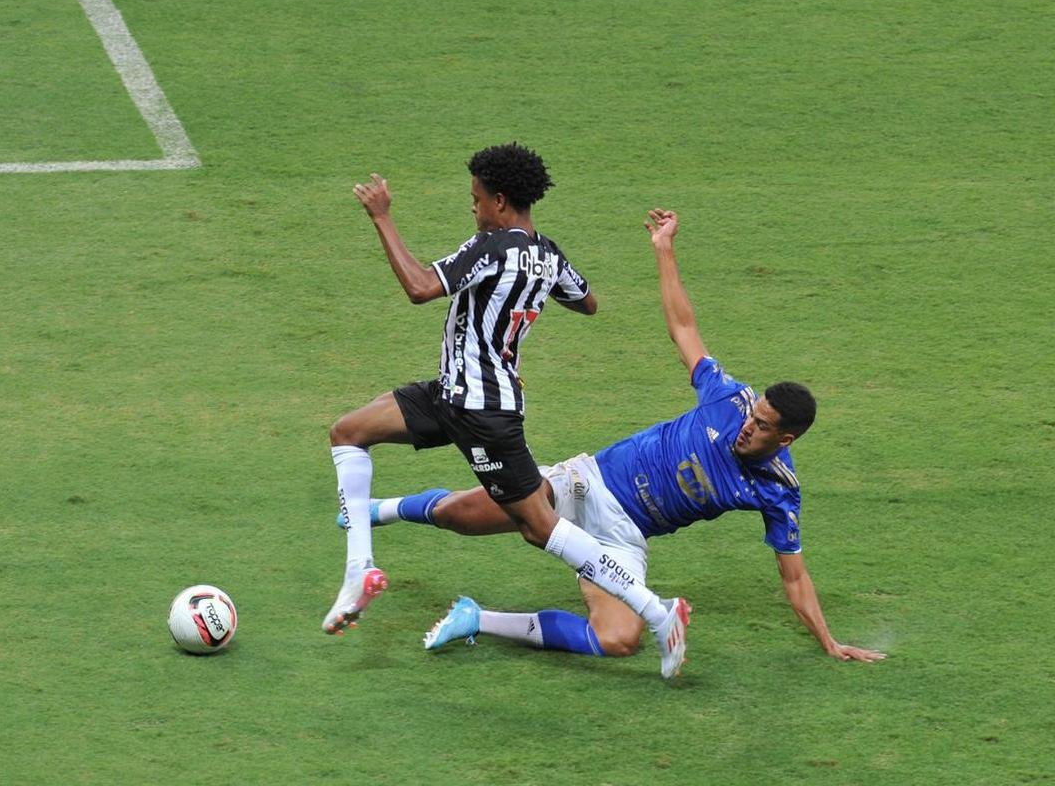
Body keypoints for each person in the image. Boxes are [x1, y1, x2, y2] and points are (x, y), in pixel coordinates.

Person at [358, 209, 886, 668]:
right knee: (461, 518)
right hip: (588, 485)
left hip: (623, 539)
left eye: (764, 426)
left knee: (618, 639)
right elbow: (684, 328)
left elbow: (794, 578)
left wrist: (830, 642)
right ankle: (372, 510)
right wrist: (665, 251)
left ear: (786, 438)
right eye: (756, 413)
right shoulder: (729, 400)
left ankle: (478, 619)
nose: (750, 424)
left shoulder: (778, 489)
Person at [324, 145, 692, 678]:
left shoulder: (491, 246)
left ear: (499, 201)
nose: (472, 210)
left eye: (476, 200)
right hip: (450, 393)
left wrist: (382, 217)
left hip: (483, 413)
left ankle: (659, 616)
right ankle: (359, 570)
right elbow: (586, 301)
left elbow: (420, 287)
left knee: (539, 527)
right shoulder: (548, 255)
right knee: (348, 432)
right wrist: (532, 289)